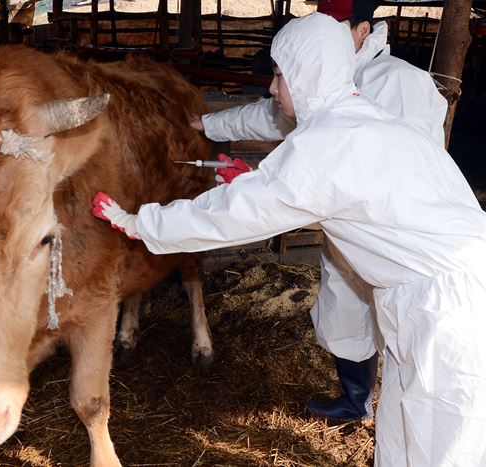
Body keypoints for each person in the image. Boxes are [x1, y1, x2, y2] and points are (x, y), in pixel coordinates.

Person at [92, 12, 486, 466]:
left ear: (308, 72)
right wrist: (259, 179)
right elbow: (329, 192)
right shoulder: (362, 121)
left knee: (440, 444)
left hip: (446, 312)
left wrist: (141, 223)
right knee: (405, 426)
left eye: (280, 74)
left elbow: (232, 215)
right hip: (437, 296)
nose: (273, 88)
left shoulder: (328, 143)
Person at [190, 0, 449, 424]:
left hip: (396, 239)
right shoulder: (322, 76)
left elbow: (407, 170)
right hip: (351, 233)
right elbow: (272, 115)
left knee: (408, 336)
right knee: (345, 313)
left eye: (336, 26)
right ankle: (356, 400)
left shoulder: (400, 82)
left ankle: (399, 421)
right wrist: (209, 125)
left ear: (363, 30)